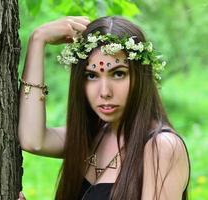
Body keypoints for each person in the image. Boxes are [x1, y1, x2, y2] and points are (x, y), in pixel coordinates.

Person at [18, 16, 190, 200]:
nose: (105, 92)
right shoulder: (93, 134)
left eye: (118, 73)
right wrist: (38, 40)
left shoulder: (161, 147)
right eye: (91, 76)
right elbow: (33, 140)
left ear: (141, 76)